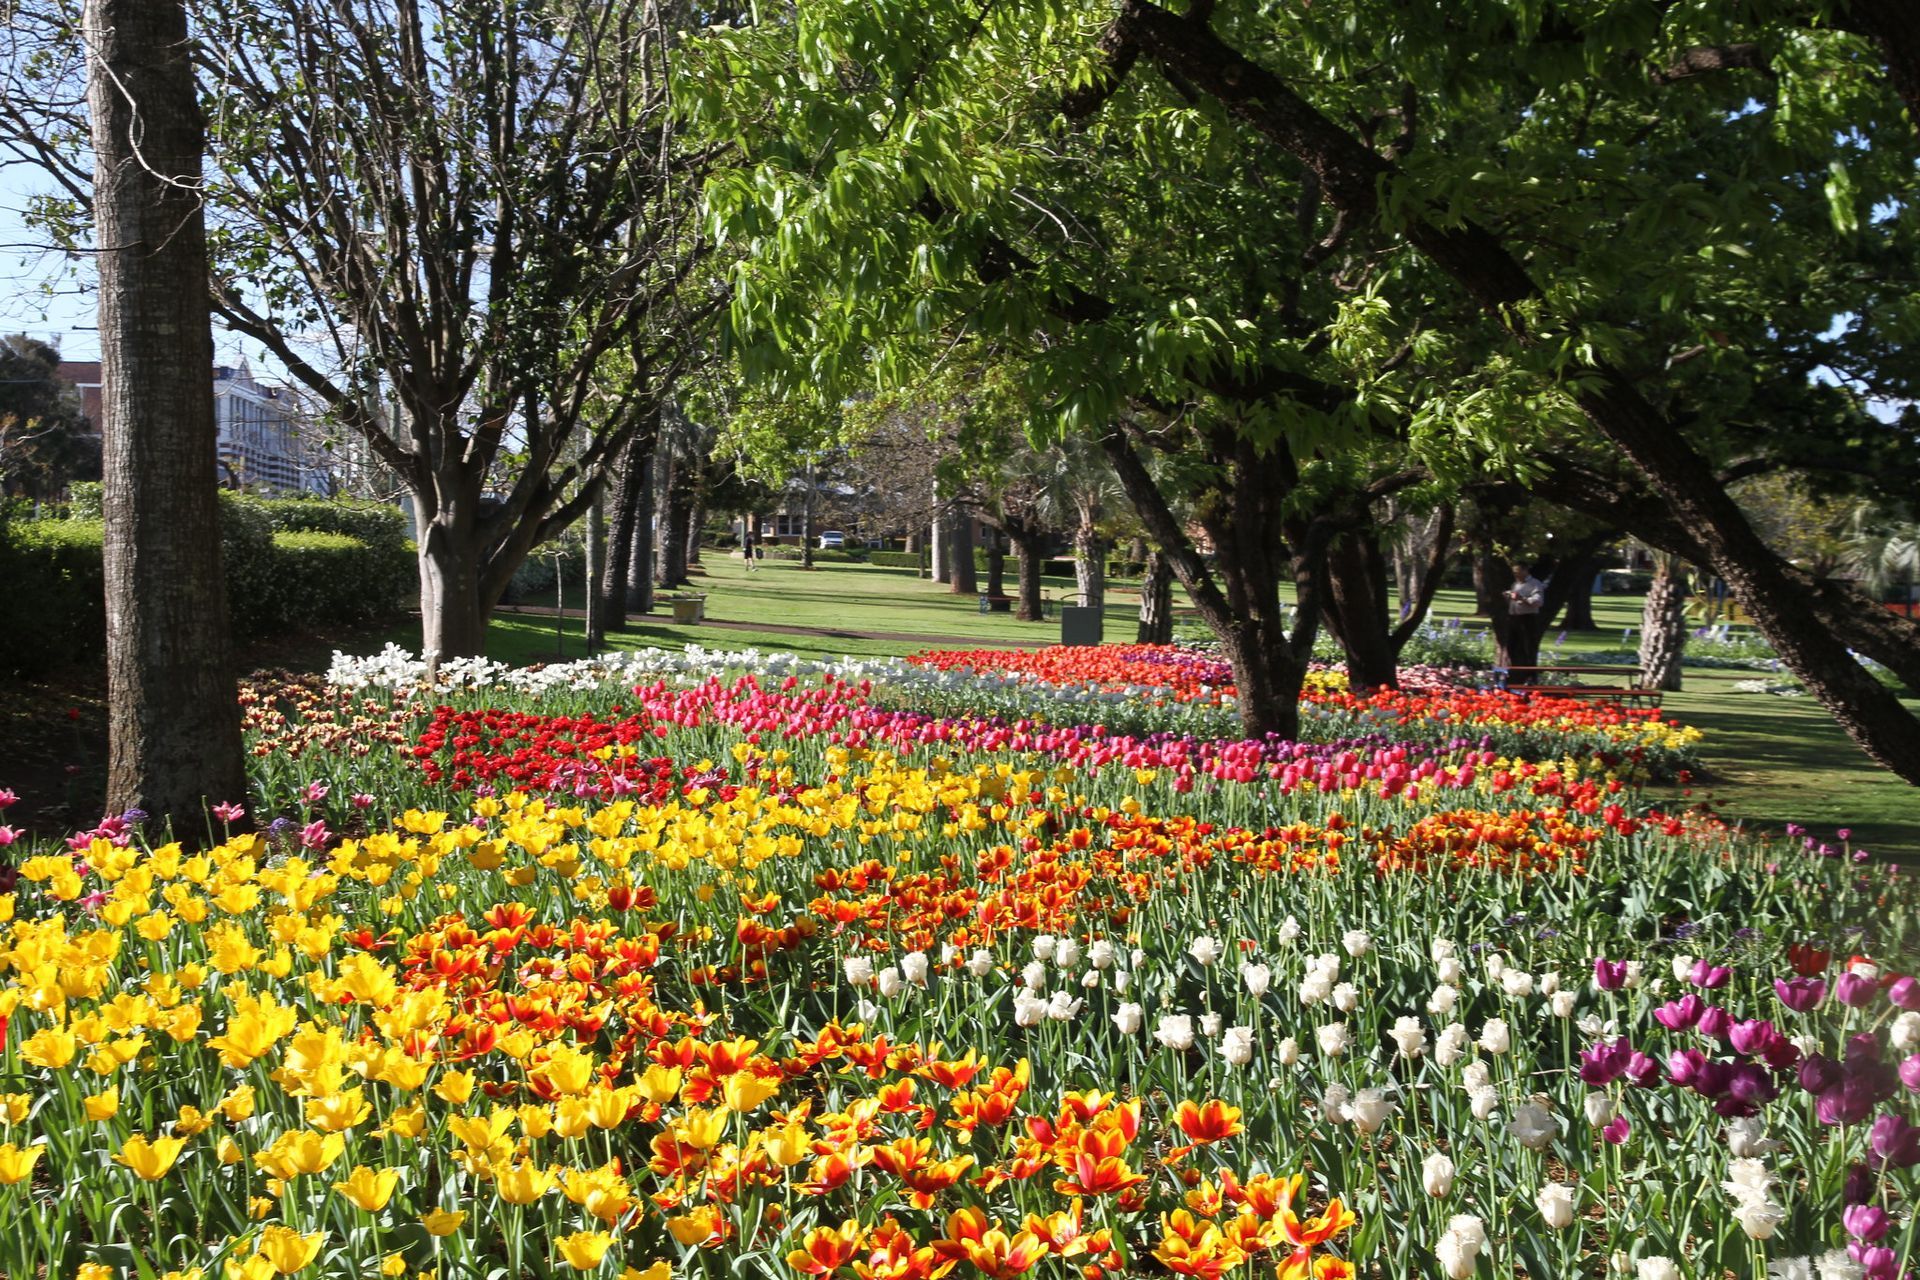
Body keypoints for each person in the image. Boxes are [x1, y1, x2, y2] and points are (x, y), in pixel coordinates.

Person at [1503, 561, 1547, 684]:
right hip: (1513, 617)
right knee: (1511, 646)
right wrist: (1508, 598)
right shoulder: (1515, 584)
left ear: (1525, 571)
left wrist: (1522, 598)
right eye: (1514, 573)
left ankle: (1530, 676)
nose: (1515, 575)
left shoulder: (1535, 584)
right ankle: (1512, 673)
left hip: (1527, 618)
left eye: (1517, 572)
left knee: (1528, 647)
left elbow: (1538, 601)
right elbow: (1514, 601)